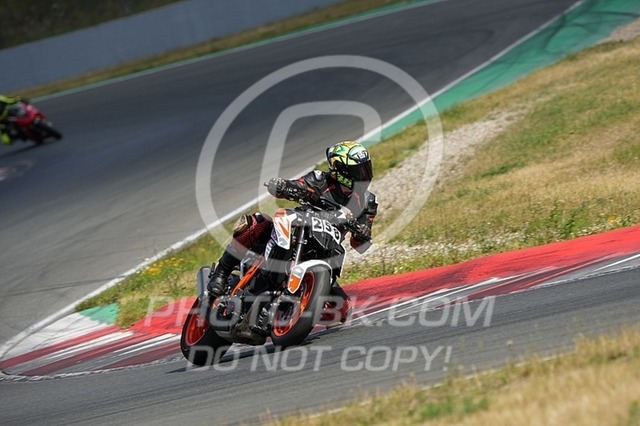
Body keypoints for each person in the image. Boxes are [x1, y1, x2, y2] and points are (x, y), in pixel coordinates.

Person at [206, 140, 378, 324]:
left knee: (341, 310)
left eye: (365, 168)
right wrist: (283, 186)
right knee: (258, 222)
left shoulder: (368, 202)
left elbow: (360, 244)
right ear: (340, 170)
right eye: (358, 171)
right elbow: (298, 185)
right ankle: (221, 273)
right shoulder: (320, 179)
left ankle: (295, 311)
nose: (364, 175)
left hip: (326, 250)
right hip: (300, 228)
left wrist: (362, 233)